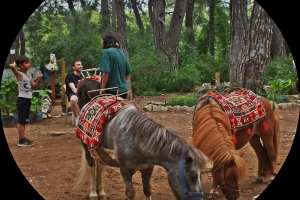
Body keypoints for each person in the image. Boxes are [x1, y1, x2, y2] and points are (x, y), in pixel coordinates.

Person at [9, 55, 43, 147]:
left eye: (28, 62)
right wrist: (17, 61)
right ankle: (21, 140)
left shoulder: (29, 75)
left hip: (28, 99)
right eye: (26, 63)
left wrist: (39, 78)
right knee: (21, 120)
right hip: (22, 99)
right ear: (21, 65)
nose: (29, 64)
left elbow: (34, 86)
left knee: (24, 121)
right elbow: (12, 66)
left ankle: (23, 138)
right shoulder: (19, 74)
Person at [99, 31, 132, 99]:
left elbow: (105, 72)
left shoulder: (106, 52)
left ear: (105, 40)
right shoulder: (121, 52)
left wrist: (102, 88)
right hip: (123, 91)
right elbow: (128, 73)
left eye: (101, 40)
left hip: (112, 92)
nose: (101, 42)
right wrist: (121, 83)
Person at [65, 59, 83, 126]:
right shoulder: (70, 76)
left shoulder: (83, 76)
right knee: (73, 99)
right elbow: (73, 88)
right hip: (73, 93)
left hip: (82, 94)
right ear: (73, 67)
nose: (81, 66)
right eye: (78, 65)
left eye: (81, 64)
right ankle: (77, 118)